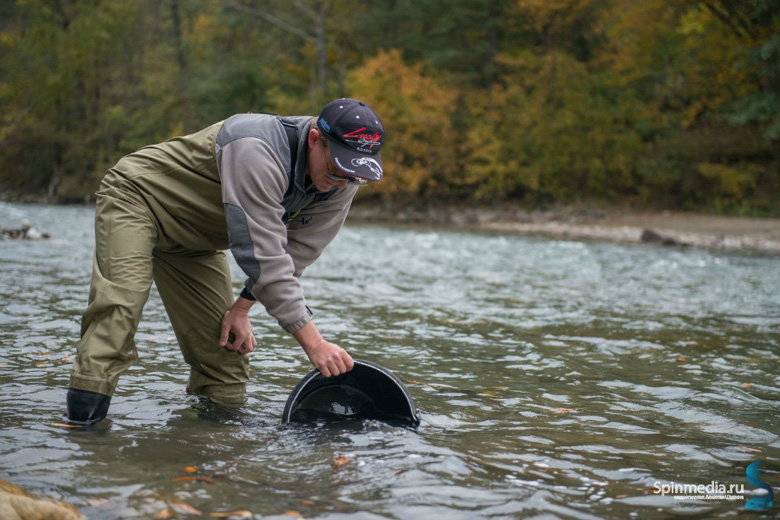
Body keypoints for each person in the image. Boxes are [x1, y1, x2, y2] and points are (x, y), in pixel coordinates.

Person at [66, 98, 385, 426]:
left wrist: (241, 308)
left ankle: (210, 444)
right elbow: (263, 258)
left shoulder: (342, 182)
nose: (342, 182)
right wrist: (315, 345)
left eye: (355, 177)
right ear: (315, 140)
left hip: (196, 243)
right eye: (337, 170)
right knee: (120, 309)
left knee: (226, 353)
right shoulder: (256, 148)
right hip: (138, 200)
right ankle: (81, 431)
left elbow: (295, 253)